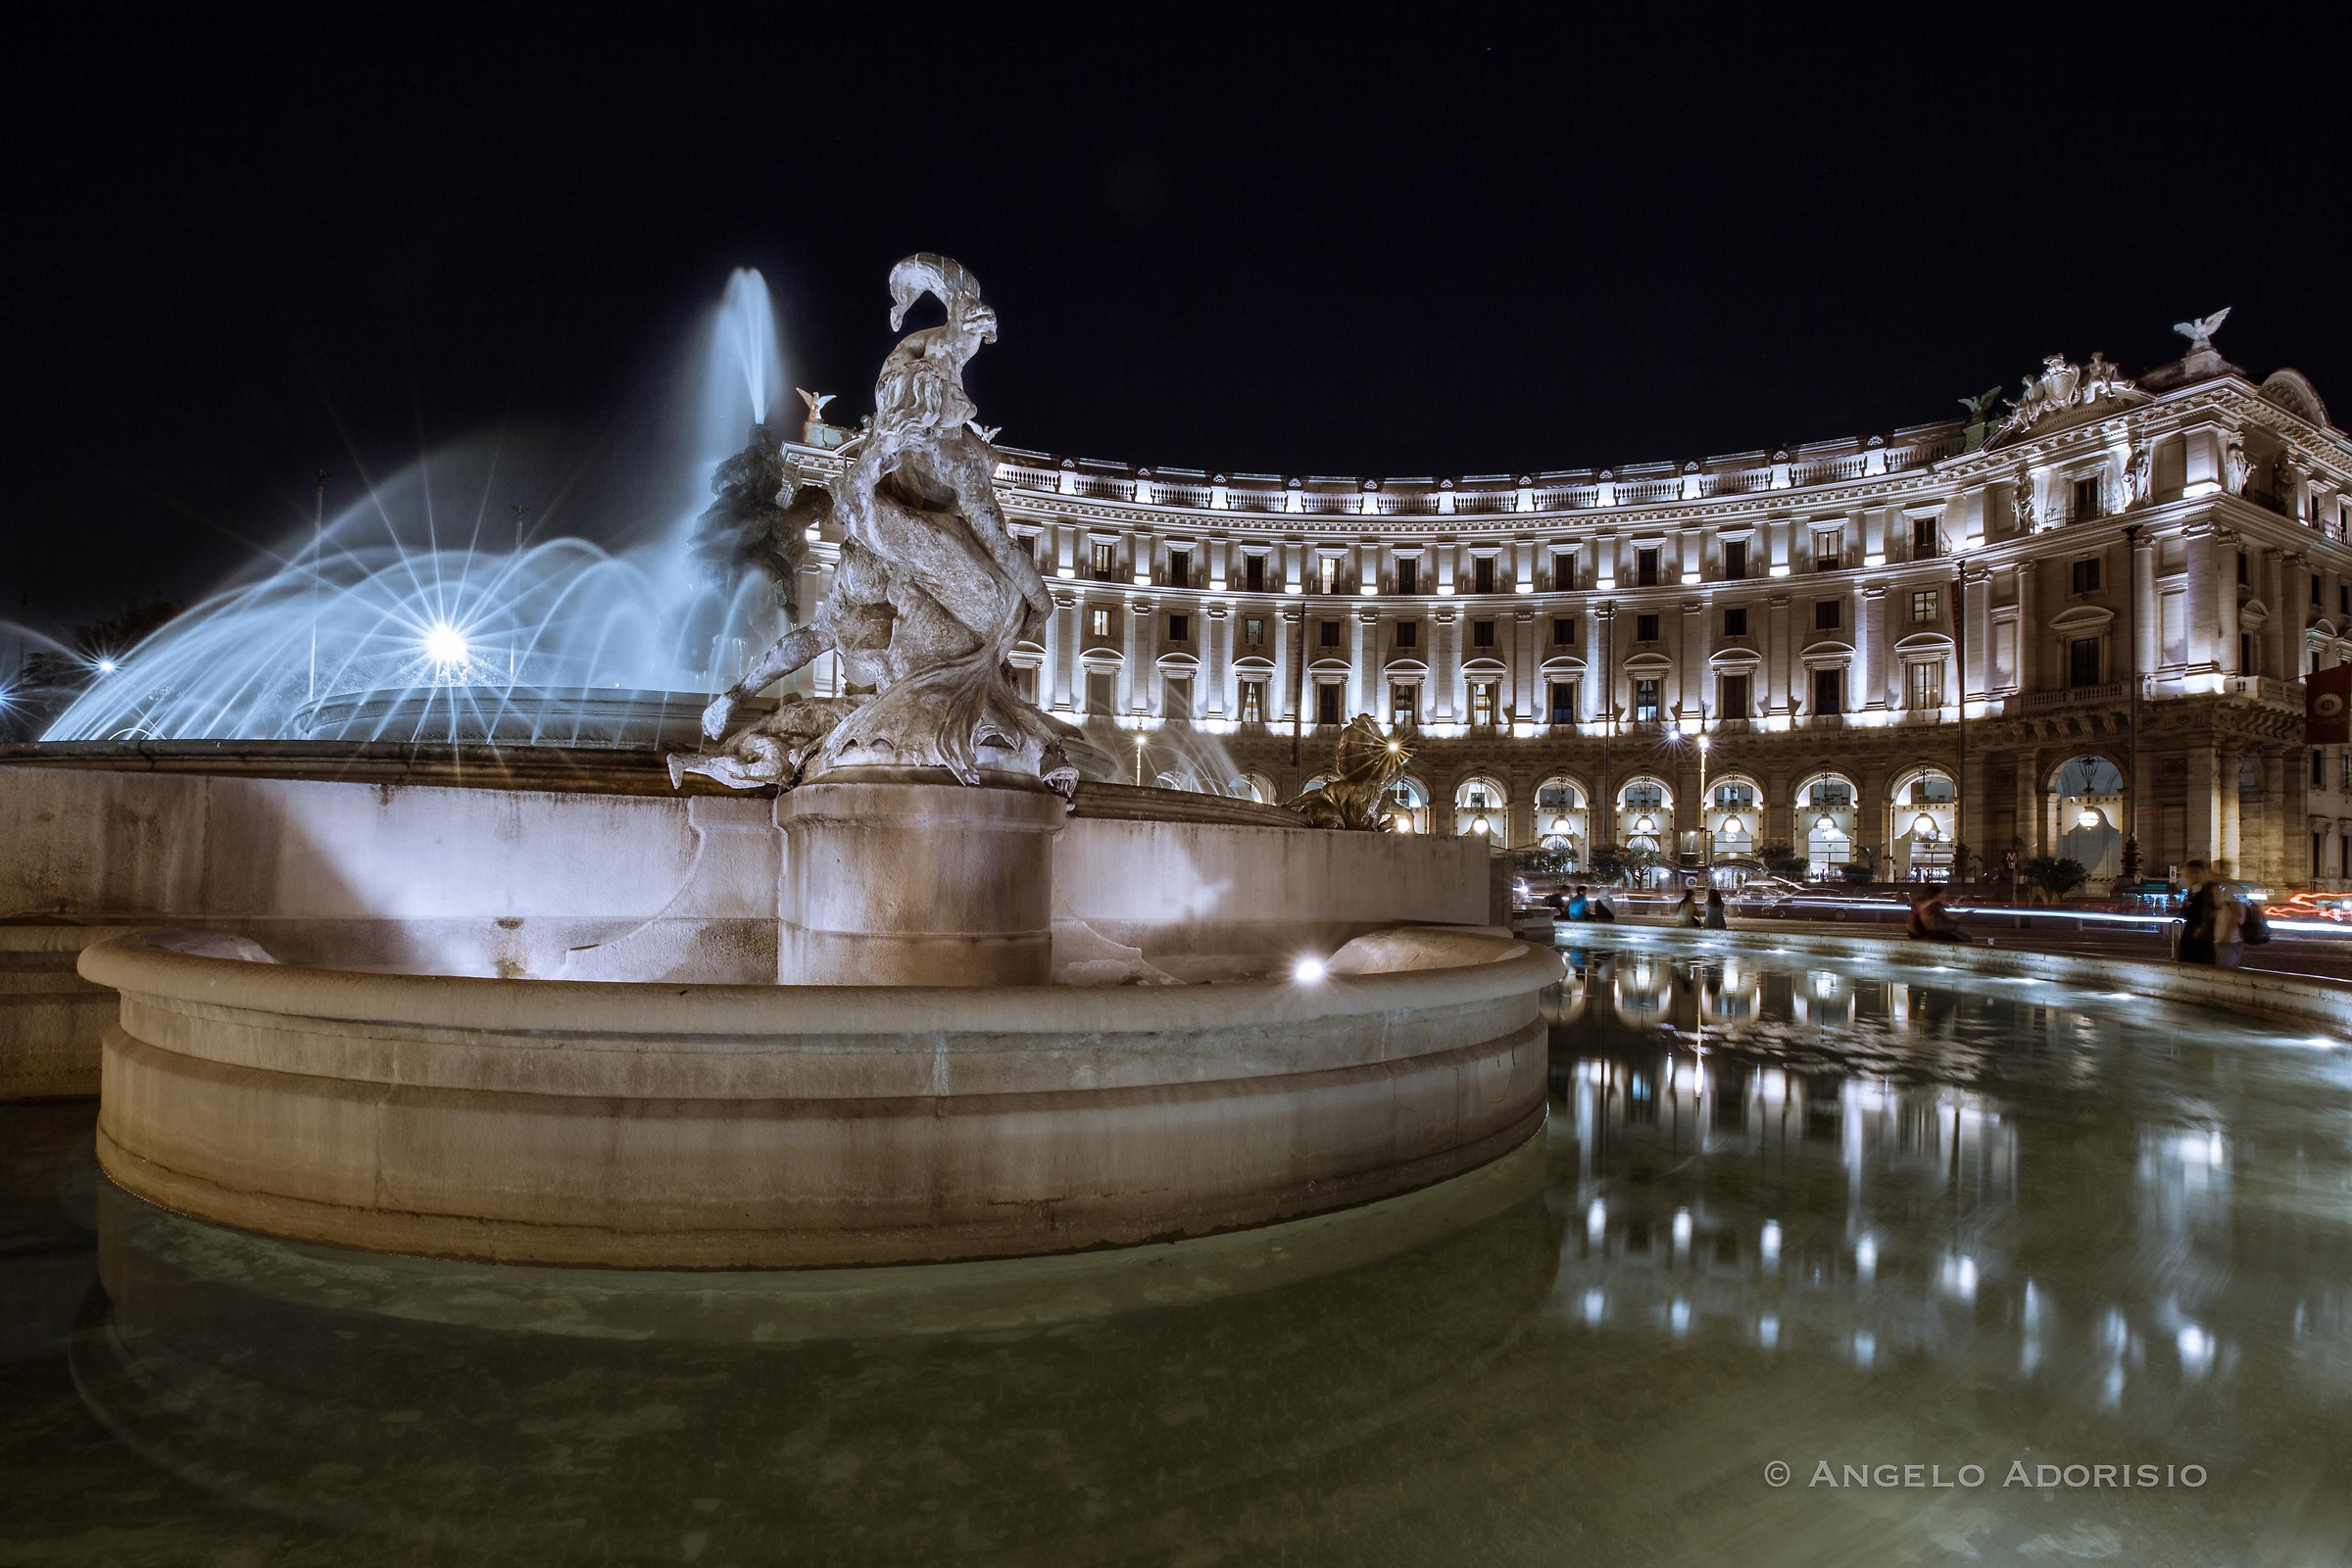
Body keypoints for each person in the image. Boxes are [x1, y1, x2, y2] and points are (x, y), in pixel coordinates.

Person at [2178, 859, 2242, 968]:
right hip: (2194, 933)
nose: (2189, 876)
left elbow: (2233, 913)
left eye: (2193, 872)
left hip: (2208, 936)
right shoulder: (2192, 890)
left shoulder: (2217, 889)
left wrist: (2204, 927)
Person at [1906, 884, 1971, 943]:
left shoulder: (1920, 901)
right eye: (1943, 893)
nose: (1945, 895)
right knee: (1963, 936)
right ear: (1937, 894)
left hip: (1912, 932)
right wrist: (1965, 913)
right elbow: (1951, 917)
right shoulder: (1936, 904)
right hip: (1924, 933)